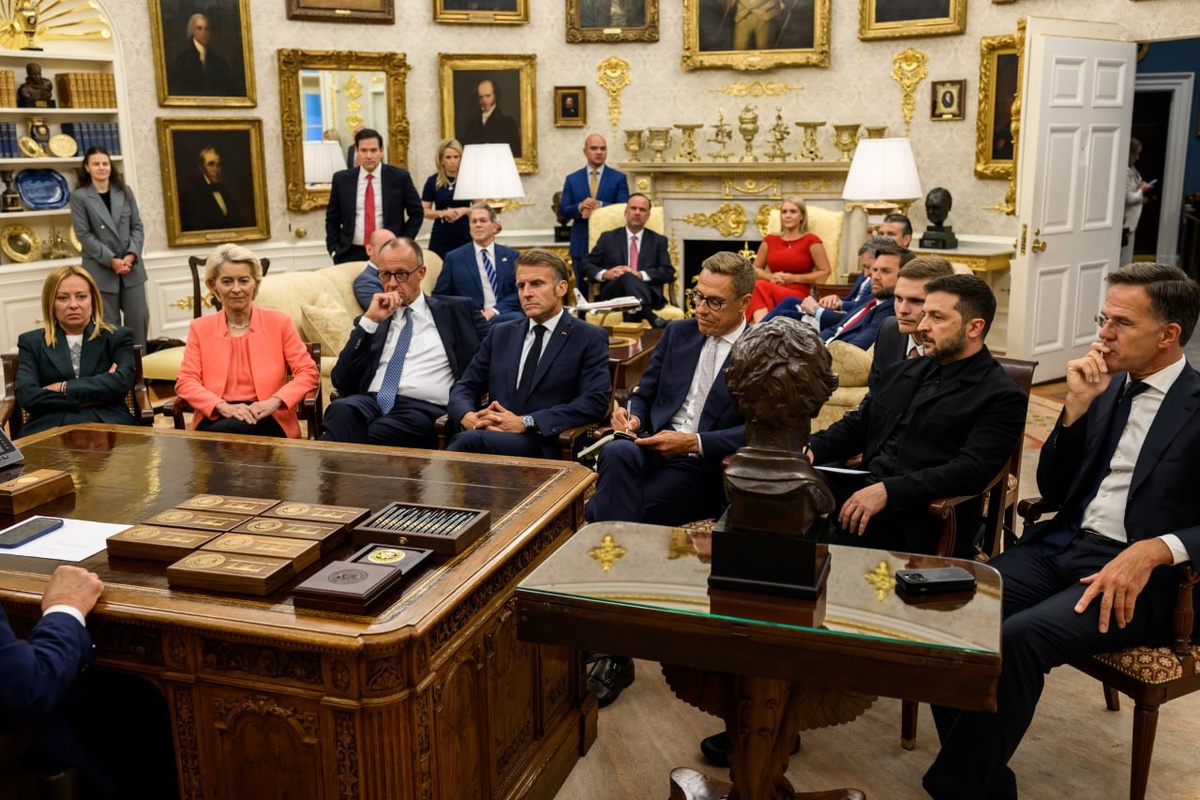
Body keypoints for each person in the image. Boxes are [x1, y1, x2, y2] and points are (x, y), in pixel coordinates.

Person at [924, 264, 1200, 799]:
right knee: (948, 608)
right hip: (1062, 545)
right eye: (1103, 319)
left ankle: (960, 787)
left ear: (1169, 334)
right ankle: (980, 782)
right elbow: (1053, 486)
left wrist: (1157, 549)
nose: (1104, 334)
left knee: (1019, 638)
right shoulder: (1105, 388)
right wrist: (1075, 408)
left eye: (1122, 323)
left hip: (1143, 580)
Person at [583, 251, 753, 711]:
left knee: (603, 514)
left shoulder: (760, 349)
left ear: (744, 303)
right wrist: (633, 418)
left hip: (701, 466)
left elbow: (758, 429)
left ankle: (611, 644)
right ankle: (613, 630)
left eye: (715, 302)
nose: (702, 309)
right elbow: (645, 393)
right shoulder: (678, 332)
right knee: (616, 449)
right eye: (698, 296)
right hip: (649, 448)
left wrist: (693, 441)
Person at [808, 274, 1027, 558]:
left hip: (923, 515)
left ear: (974, 327)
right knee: (786, 494)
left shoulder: (1001, 395)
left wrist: (889, 491)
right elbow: (858, 427)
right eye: (925, 315)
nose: (922, 326)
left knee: (810, 540)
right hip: (864, 490)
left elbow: (971, 470)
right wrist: (810, 449)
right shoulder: (903, 371)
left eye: (937, 317)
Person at [322, 237, 489, 448]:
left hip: (422, 409)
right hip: (372, 402)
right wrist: (369, 321)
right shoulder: (374, 320)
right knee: (340, 409)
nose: (392, 283)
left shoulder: (457, 311)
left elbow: (498, 350)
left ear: (421, 272)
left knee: (353, 433)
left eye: (401, 274)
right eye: (385, 274)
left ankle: (329, 464)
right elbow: (341, 379)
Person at [446, 249, 611, 458]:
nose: (526, 293)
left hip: (546, 443)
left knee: (467, 442)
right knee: (467, 438)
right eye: (521, 286)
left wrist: (527, 421)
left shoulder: (588, 336)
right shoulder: (501, 333)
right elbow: (465, 385)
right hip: (491, 433)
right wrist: (468, 416)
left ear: (561, 288)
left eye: (536, 284)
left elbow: (594, 402)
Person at [175, 244, 319, 438]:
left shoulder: (279, 322)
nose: (236, 289)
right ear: (213, 285)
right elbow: (185, 381)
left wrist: (275, 401)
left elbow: (308, 372)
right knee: (223, 436)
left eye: (243, 281)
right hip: (216, 414)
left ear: (255, 284)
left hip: (267, 415)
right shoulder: (200, 328)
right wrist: (221, 406)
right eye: (227, 281)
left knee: (220, 440)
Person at [15, 265, 136, 437]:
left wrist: (64, 387)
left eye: (81, 296)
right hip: (50, 426)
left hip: (109, 422)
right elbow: (28, 396)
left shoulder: (118, 337)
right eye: (63, 298)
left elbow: (121, 382)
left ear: (93, 300)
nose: (73, 305)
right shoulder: (31, 342)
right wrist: (97, 392)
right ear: (51, 303)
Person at [768, 240, 911, 351]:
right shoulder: (871, 299)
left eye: (885, 271)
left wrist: (805, 351)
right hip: (819, 346)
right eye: (874, 270)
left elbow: (852, 351)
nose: (875, 276)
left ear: (904, 276)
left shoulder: (890, 312)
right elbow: (836, 329)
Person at [69, 146, 148, 345]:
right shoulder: (79, 196)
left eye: (105, 163)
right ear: (87, 167)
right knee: (108, 326)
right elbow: (83, 235)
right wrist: (111, 260)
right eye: (96, 164)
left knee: (139, 319)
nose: (101, 167)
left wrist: (131, 255)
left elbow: (137, 227)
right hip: (101, 269)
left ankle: (140, 363)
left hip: (131, 268)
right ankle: (115, 364)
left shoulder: (125, 191)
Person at [326, 128, 423, 264]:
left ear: (381, 151)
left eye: (373, 150)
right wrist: (334, 249)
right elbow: (332, 218)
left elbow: (417, 213)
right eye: (364, 150)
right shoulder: (342, 179)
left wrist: (402, 242)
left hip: (389, 251)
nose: (369, 156)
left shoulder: (399, 177)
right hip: (349, 252)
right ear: (356, 151)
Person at [581, 193, 675, 328]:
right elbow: (586, 264)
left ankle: (634, 336)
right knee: (626, 276)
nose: (637, 212)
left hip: (648, 293)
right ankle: (652, 318)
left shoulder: (658, 241)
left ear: (648, 215)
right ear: (626, 212)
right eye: (633, 208)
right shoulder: (608, 238)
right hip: (614, 293)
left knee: (628, 277)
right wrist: (606, 274)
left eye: (642, 210)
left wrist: (640, 275)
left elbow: (667, 271)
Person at [868, 256, 955, 393]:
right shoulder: (888, 330)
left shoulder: (952, 346)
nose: (902, 310)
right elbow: (874, 395)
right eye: (898, 298)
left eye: (916, 301)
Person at [745, 197, 831, 323]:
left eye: (793, 212)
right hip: (771, 287)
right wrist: (770, 277)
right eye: (784, 212)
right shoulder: (770, 240)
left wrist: (795, 278)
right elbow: (755, 268)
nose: (788, 215)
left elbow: (825, 272)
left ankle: (759, 328)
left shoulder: (811, 240)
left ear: (802, 216)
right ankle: (763, 327)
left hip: (798, 292)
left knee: (758, 287)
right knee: (758, 287)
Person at [433, 203, 523, 324]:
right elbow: (439, 296)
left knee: (517, 319)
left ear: (495, 226)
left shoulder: (512, 256)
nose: (478, 225)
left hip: (504, 316)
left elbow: (520, 291)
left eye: (483, 221)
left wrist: (494, 311)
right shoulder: (454, 258)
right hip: (470, 319)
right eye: (474, 221)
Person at [560, 134, 630, 290]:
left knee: (612, 289)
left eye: (603, 148)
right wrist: (580, 207)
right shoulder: (572, 179)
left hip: (611, 244)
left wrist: (600, 205)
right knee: (583, 289)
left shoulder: (618, 178)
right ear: (585, 151)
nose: (599, 152)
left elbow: (624, 208)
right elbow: (564, 210)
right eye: (594, 148)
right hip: (581, 243)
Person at [421, 138, 472, 260]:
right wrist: (443, 213)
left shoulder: (469, 179)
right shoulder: (432, 181)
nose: (453, 161)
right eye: (448, 157)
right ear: (441, 160)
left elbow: (480, 208)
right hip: (441, 234)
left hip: (464, 233)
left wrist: (463, 210)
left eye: (456, 157)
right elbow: (423, 211)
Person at [168, 13, 236, 97]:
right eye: (199, 28)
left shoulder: (219, 61)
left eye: (206, 29)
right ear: (192, 31)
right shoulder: (182, 60)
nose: (204, 33)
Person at [179, 147, 245, 232]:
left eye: (218, 165)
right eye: (211, 164)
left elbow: (238, 221)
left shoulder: (224, 190)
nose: (216, 169)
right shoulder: (190, 196)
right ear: (201, 168)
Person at [816, 237, 882, 313]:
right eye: (864, 267)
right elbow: (850, 299)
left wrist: (841, 304)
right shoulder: (864, 274)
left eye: (867, 267)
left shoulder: (881, 283)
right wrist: (834, 300)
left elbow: (866, 306)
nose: (865, 274)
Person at [461, 79, 521, 156]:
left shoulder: (507, 122)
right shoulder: (472, 123)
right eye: (481, 97)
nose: (484, 100)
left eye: (488, 96)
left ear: (495, 96)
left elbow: (514, 152)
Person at [1122, 137, 1153, 266]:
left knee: (1127, 259)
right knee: (1123, 260)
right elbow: (1128, 198)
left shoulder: (1133, 169)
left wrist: (1141, 185)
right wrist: (1141, 190)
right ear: (1128, 153)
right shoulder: (1124, 172)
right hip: (1125, 222)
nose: (1138, 157)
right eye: (1135, 154)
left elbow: (1134, 185)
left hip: (1132, 222)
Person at [352, 228, 397, 311]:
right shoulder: (365, 282)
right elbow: (385, 312)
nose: (392, 253)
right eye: (386, 248)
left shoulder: (401, 273)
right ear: (369, 250)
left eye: (395, 248)